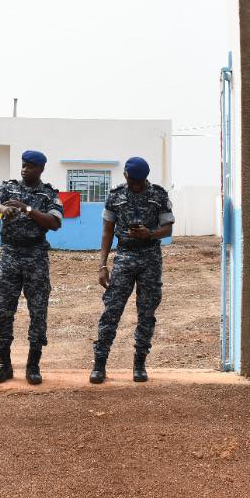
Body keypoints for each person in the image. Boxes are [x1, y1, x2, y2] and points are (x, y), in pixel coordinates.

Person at [90, 157, 174, 384]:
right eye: (132, 180)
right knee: (112, 310)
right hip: (124, 257)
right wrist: (103, 265)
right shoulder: (115, 195)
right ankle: (99, 364)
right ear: (126, 176)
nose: (136, 185)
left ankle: (139, 364)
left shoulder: (159, 195)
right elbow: (107, 231)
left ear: (146, 177)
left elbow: (167, 228)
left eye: (140, 181)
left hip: (150, 257)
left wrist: (151, 234)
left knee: (146, 313)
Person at [0, 150, 64, 385]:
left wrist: (25, 208)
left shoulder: (48, 193)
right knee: (4, 309)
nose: (24, 169)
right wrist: (2, 209)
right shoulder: (8, 187)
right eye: (23, 165)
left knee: (38, 311)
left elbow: (55, 222)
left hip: (36, 255)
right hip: (9, 253)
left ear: (40, 169)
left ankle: (33, 365)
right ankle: (4, 364)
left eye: (29, 166)